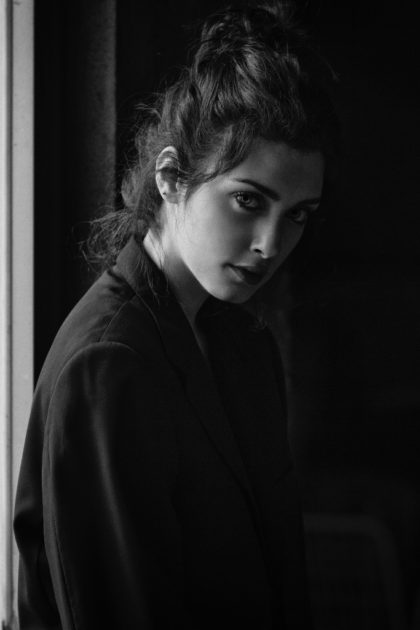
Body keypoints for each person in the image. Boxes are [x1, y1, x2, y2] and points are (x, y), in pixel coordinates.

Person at [14, 2, 340, 629]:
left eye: (298, 214)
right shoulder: (109, 365)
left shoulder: (241, 340)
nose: (271, 244)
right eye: (248, 201)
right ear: (169, 178)